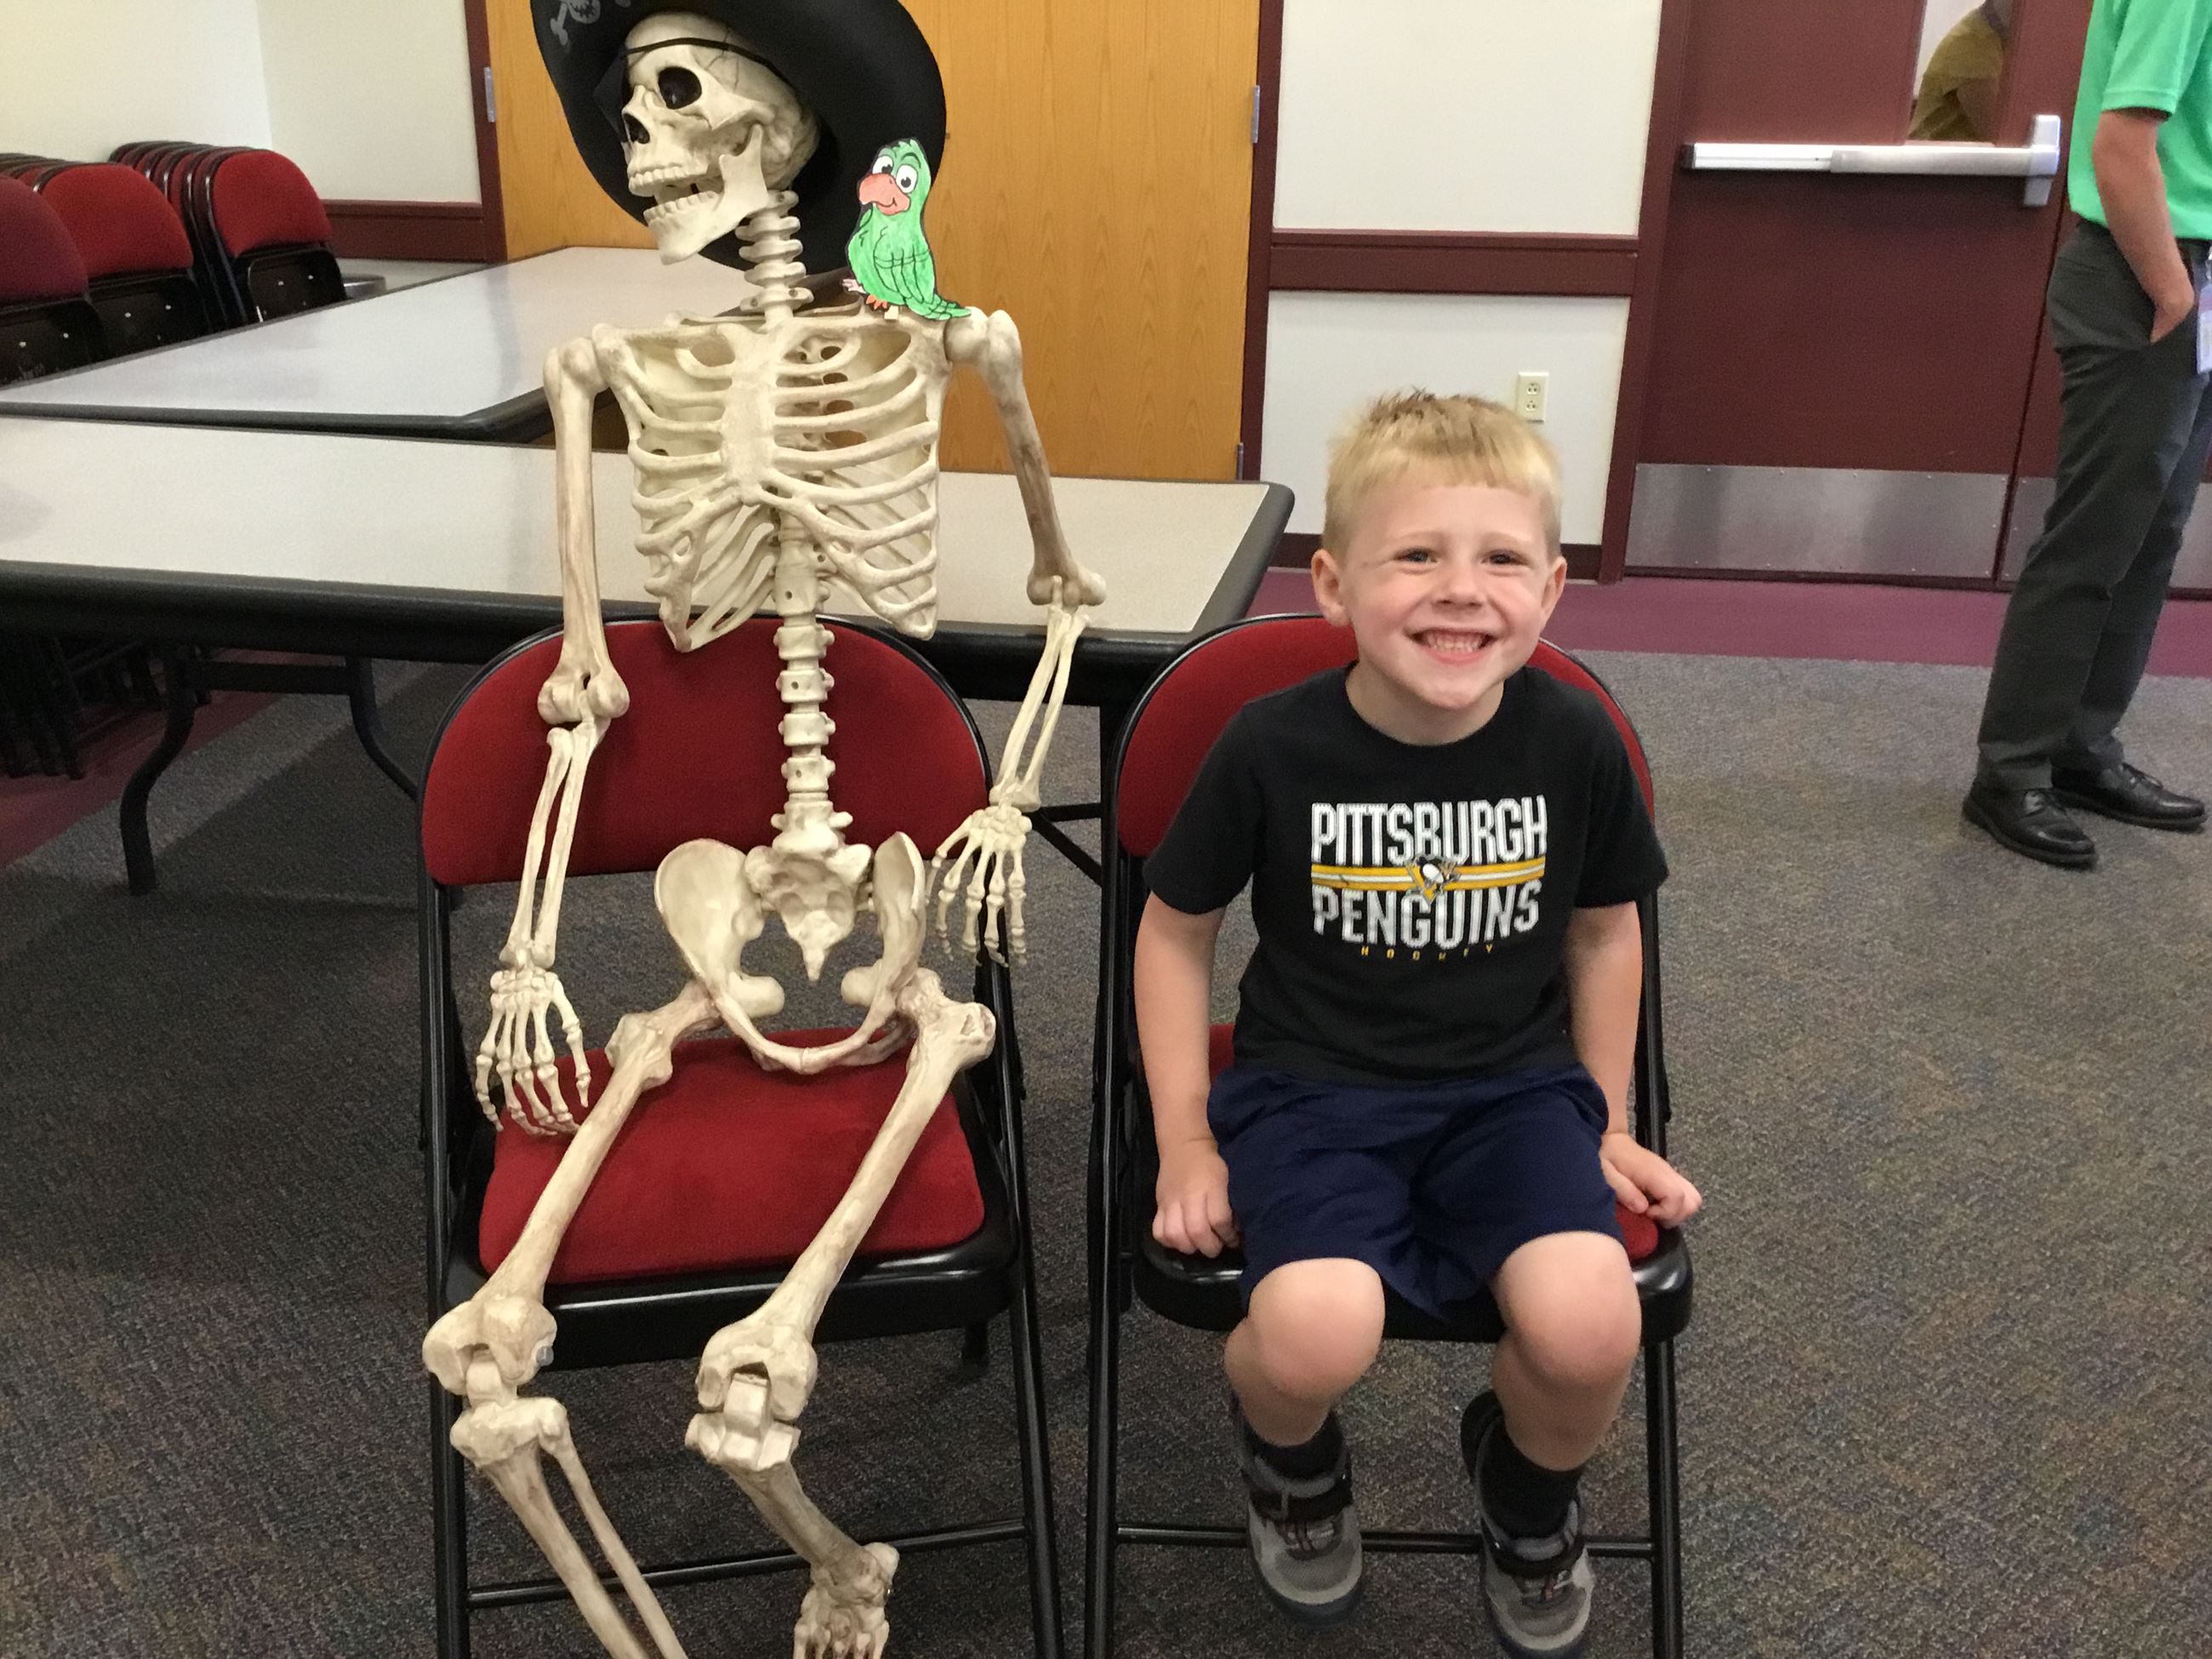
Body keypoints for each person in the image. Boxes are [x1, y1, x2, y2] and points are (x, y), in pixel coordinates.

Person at [1134, 391, 1702, 1656]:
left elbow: (1608, 929)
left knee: (1593, 1320)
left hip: (1512, 1091)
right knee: (1313, 1327)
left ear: (1552, 588)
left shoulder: (1574, 738)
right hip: (1310, 1093)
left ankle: (1526, 1487)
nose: (1462, 590)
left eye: (1501, 558)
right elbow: (1173, 932)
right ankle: (1291, 1460)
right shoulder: (1271, 745)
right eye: (1417, 555)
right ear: (1334, 584)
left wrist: (1604, 1117)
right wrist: (1185, 1142)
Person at [1966, 0, 2212, 867]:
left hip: (2189, 268)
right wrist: (2173, 294)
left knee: (2150, 535)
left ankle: (2079, 749)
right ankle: (2010, 770)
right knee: (2093, 538)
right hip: (2145, 269)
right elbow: (2118, 145)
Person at [1910, 1, 2012, 143]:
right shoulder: (1972, 44)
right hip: (1931, 160)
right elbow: (2005, 138)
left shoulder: (2002, 40)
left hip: (1964, 161)